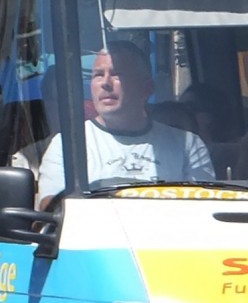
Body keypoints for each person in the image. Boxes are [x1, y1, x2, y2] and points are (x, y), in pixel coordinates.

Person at [35, 41, 214, 207]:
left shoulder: (187, 145)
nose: (105, 83)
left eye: (117, 74)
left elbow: (203, 209)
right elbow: (52, 212)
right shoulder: (67, 146)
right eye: (98, 75)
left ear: (147, 89)